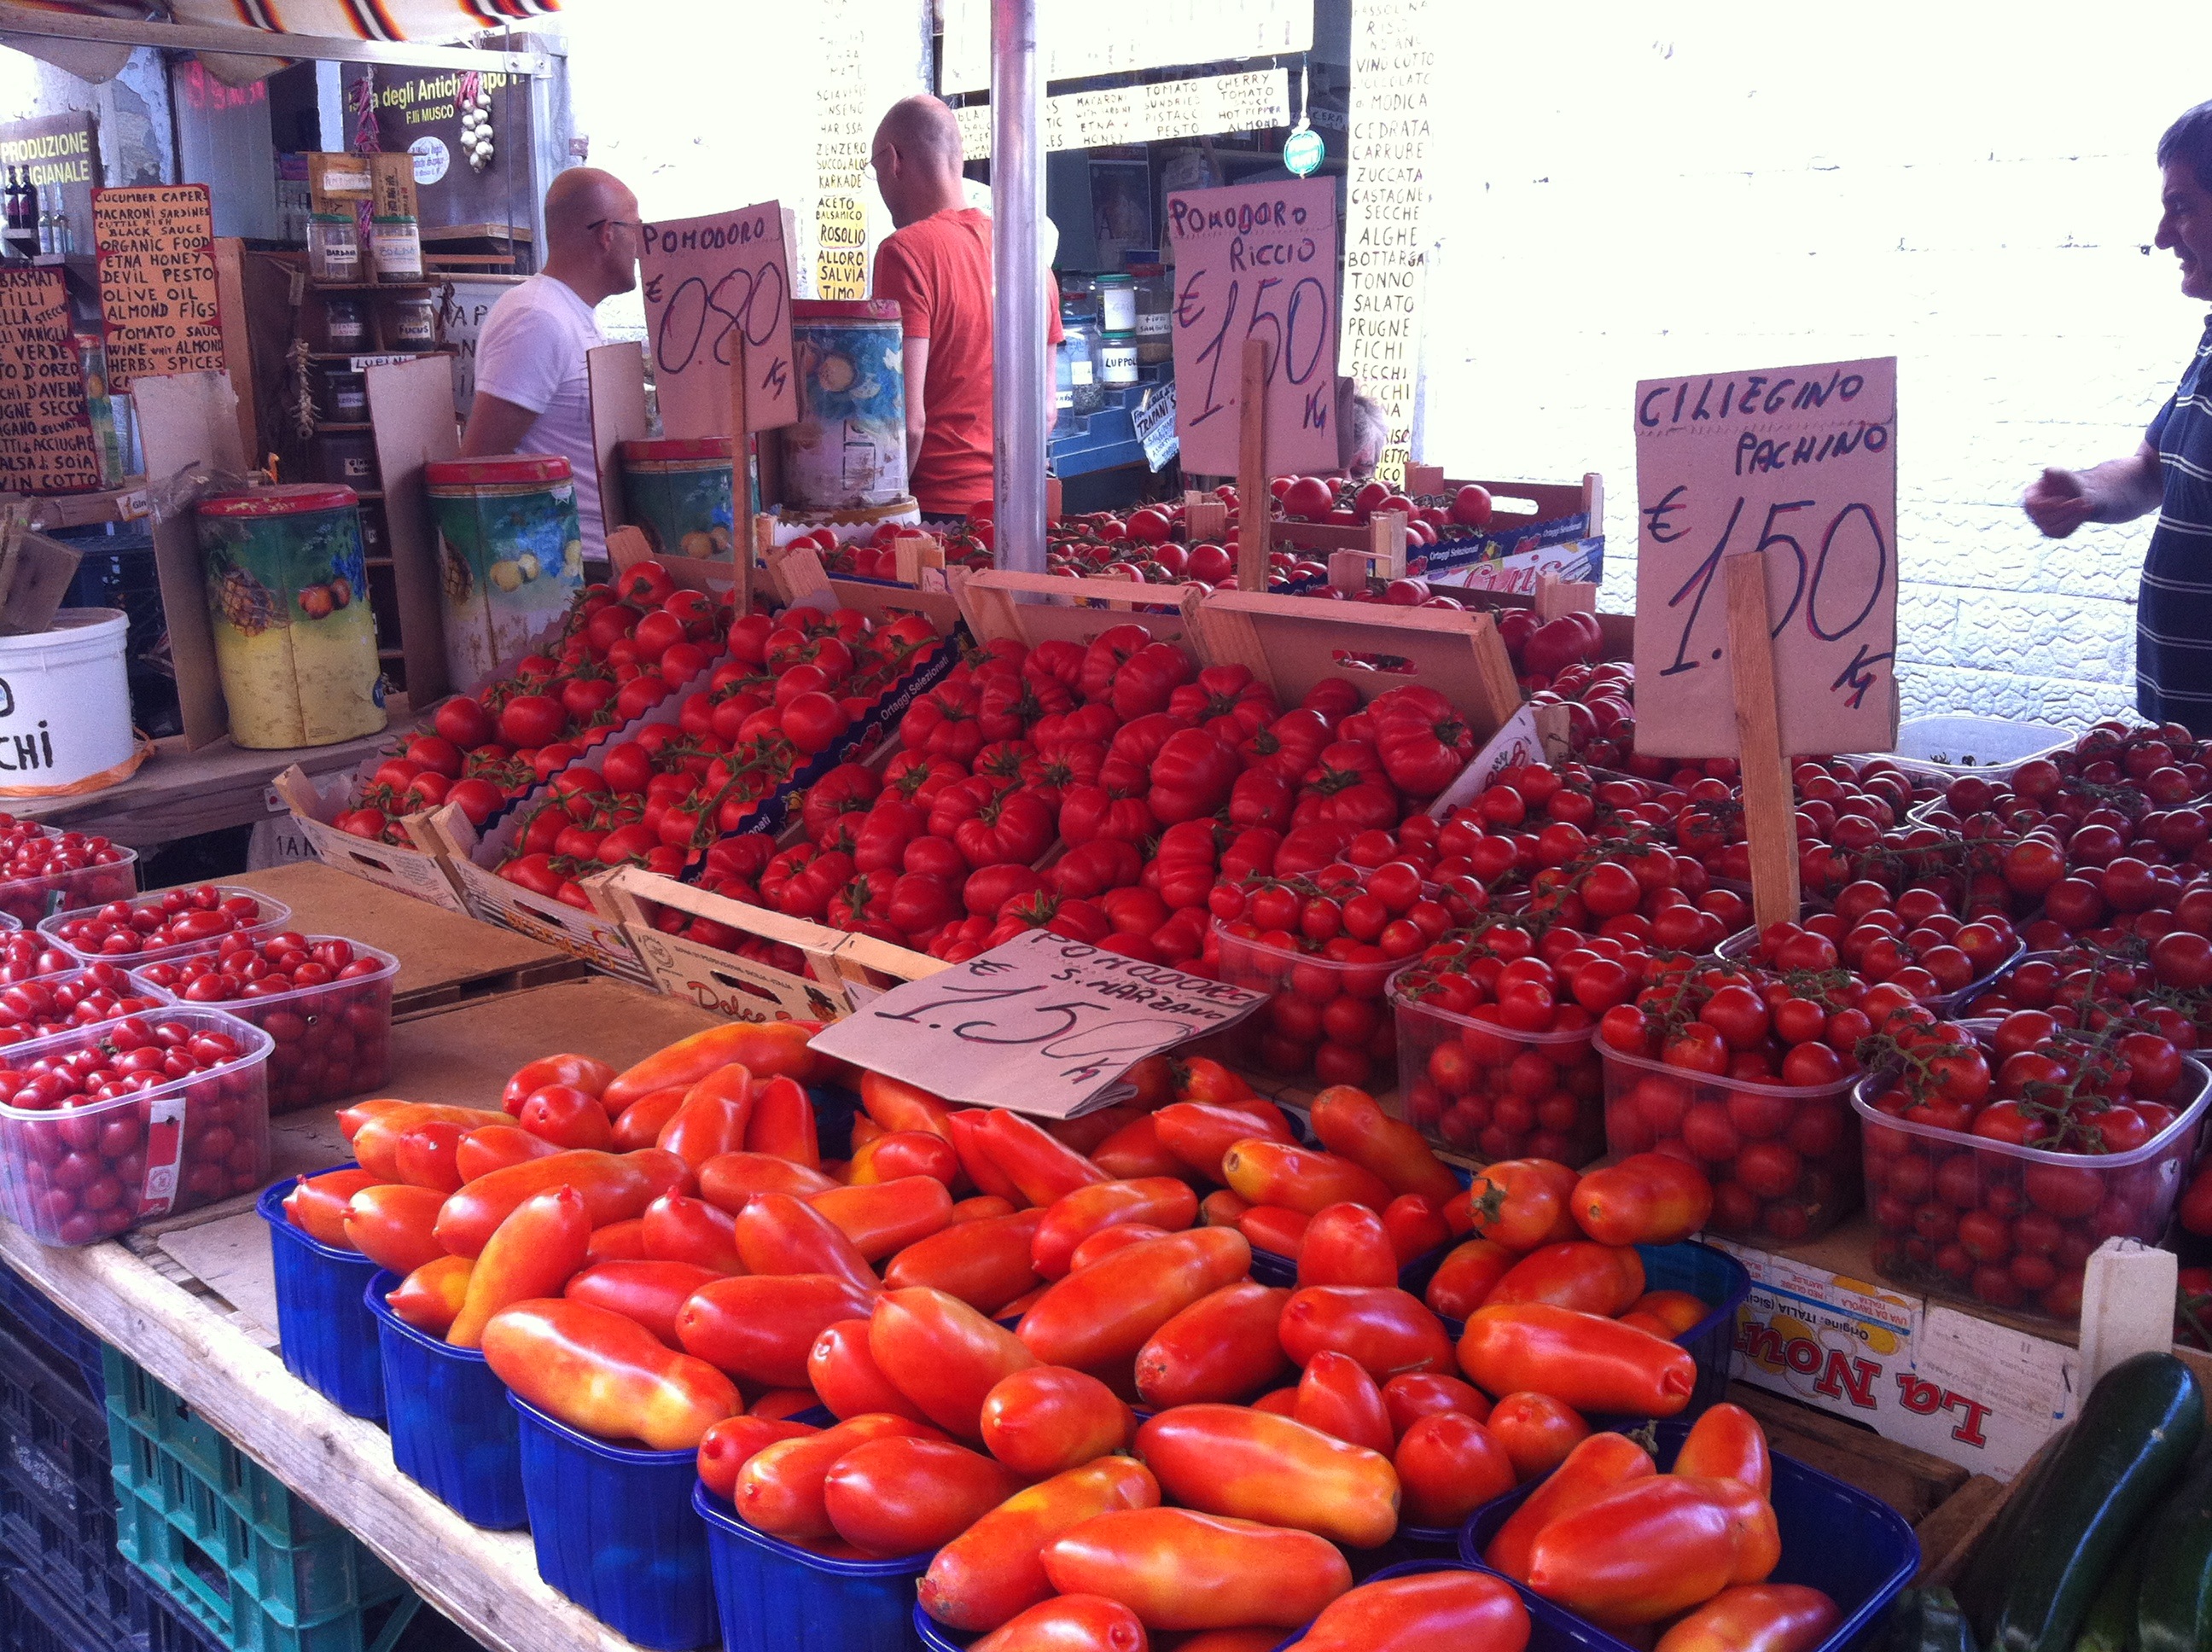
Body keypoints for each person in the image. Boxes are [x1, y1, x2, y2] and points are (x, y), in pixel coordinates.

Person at [2024, 102, 2212, 731]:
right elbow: (2154, 469)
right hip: (2183, 726)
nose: (2162, 236)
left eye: (2181, 206)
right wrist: (2085, 492)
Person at [870, 95, 1060, 520]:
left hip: (941, 513)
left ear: (893, 161)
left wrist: (883, 514)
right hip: (1023, 514)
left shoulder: (904, 253)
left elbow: (907, 421)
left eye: (875, 170)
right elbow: (1046, 413)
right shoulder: (1032, 259)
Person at [462, 167, 641, 559]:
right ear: (607, 234)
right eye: (637, 230)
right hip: (564, 569)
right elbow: (476, 467)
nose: (641, 248)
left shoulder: (572, 313)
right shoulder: (537, 318)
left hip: (595, 562)